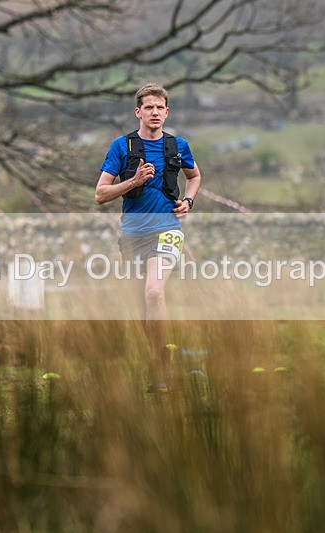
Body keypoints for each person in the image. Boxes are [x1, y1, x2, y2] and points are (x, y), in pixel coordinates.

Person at [95, 83, 202, 392]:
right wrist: (134, 180)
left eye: (160, 108)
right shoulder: (122, 147)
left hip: (168, 230)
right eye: (149, 107)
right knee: (141, 306)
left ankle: (161, 370)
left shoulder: (178, 146)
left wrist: (189, 202)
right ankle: (152, 362)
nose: (155, 112)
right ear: (138, 112)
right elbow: (101, 194)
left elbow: (194, 177)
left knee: (154, 292)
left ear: (167, 112)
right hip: (132, 236)